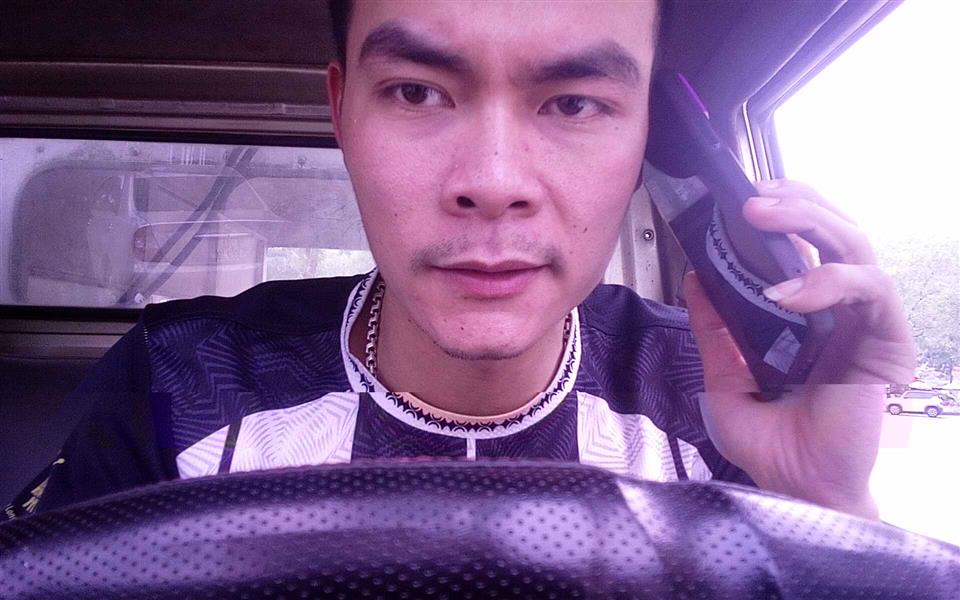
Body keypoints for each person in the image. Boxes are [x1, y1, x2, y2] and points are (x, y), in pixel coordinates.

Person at [4, 0, 914, 521]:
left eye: (574, 104)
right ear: (342, 111)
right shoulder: (177, 383)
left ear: (649, 135)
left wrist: (827, 500)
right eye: (417, 92)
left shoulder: (716, 396)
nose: (492, 182)